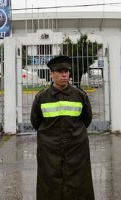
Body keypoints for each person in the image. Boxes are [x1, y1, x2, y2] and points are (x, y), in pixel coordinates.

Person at [30, 55, 95, 199]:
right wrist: (50, 138)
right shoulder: (41, 98)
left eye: (66, 71)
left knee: (77, 184)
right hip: (49, 150)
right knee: (50, 184)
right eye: (59, 71)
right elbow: (36, 121)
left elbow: (86, 119)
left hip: (76, 148)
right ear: (51, 74)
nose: (64, 74)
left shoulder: (80, 96)